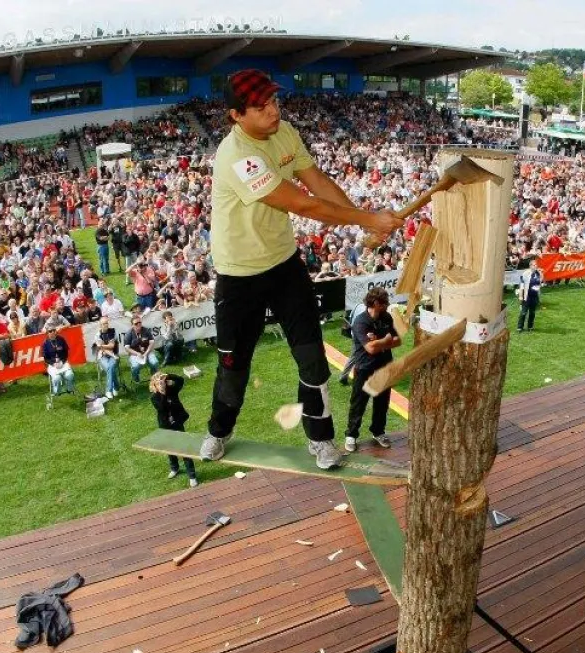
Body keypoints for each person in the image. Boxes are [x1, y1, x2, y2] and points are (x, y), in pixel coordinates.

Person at [201, 69, 402, 470]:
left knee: (311, 358)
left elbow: (317, 182)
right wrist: (366, 219)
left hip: (284, 264)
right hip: (239, 274)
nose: (274, 111)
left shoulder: (285, 132)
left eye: (275, 101)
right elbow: (303, 204)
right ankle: (219, 431)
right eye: (261, 107)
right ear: (236, 116)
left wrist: (365, 220)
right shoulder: (237, 156)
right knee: (234, 367)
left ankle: (321, 439)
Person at [344, 287, 400, 453]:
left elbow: (398, 341)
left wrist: (379, 342)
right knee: (358, 403)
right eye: (384, 303)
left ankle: (378, 432)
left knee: (382, 403)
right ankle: (351, 435)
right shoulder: (361, 322)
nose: (387, 306)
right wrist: (385, 341)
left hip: (384, 367)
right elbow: (370, 349)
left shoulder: (386, 317)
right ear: (375, 303)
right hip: (364, 368)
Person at [150, 372, 198, 487]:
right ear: (154, 386)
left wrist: (168, 375)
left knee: (184, 448)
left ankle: (192, 476)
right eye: (158, 383)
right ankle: (175, 468)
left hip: (177, 423)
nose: (161, 384)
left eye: (162, 382)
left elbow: (180, 380)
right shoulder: (154, 397)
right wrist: (162, 392)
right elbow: (161, 408)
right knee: (170, 448)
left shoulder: (172, 390)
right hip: (166, 426)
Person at [41, 325, 75, 395]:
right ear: (47, 333)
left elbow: (66, 352)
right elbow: (46, 358)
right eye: (50, 331)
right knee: (57, 378)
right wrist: (53, 363)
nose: (52, 332)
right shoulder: (45, 343)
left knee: (70, 375)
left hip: (63, 361)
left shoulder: (61, 339)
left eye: (54, 330)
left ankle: (69, 389)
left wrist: (62, 361)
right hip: (52, 364)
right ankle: (57, 392)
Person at [96, 317, 121, 399]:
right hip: (102, 356)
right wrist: (104, 348)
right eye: (103, 323)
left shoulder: (112, 331)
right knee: (110, 368)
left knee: (110, 367)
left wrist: (102, 345)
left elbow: (112, 346)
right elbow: (104, 350)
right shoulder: (98, 335)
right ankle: (115, 386)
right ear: (100, 325)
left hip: (114, 355)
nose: (106, 325)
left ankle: (108, 390)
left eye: (107, 323)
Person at [517, 263, 543, 333]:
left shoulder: (538, 273)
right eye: (534, 265)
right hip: (526, 296)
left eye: (536, 265)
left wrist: (539, 297)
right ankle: (520, 327)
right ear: (530, 266)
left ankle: (530, 326)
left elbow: (540, 285)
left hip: (534, 296)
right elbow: (521, 285)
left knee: (532, 312)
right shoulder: (525, 273)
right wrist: (520, 296)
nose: (536, 266)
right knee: (523, 312)